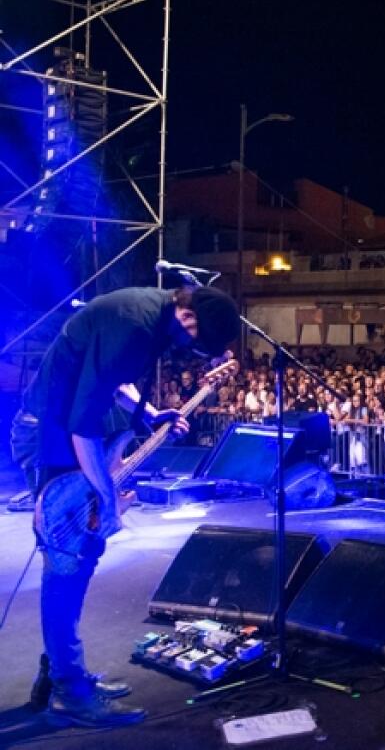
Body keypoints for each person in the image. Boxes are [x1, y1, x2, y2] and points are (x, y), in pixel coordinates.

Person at [11, 285, 240, 727]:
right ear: (189, 319)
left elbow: (113, 382)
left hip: (60, 434)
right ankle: (69, 691)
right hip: (52, 438)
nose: (190, 352)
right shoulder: (134, 325)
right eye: (196, 344)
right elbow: (82, 426)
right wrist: (106, 497)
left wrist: (153, 413)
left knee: (80, 558)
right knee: (68, 562)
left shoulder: (149, 315)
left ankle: (66, 672)